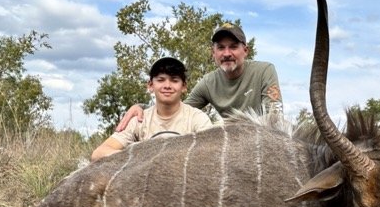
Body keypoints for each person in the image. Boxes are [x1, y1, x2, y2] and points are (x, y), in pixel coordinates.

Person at [115, 23, 283, 131]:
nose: (227, 53)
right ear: (213, 53)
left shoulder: (264, 70)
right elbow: (178, 109)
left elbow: (274, 117)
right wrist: (142, 107)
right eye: (221, 48)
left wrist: (223, 128)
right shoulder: (209, 82)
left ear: (245, 50)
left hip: (263, 140)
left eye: (233, 47)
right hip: (232, 145)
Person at [91, 57, 212, 161]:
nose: (167, 86)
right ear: (150, 85)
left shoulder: (197, 118)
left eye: (174, 80)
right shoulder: (140, 119)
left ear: (184, 86)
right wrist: (138, 158)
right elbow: (98, 154)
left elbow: (210, 154)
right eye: (160, 80)